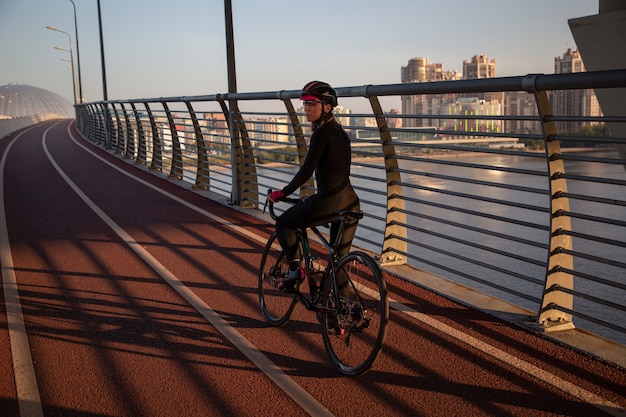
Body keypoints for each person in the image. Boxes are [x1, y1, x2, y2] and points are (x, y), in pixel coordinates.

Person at [269, 81, 360, 290]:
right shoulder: (341, 133)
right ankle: (344, 316)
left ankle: (294, 270)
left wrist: (283, 192)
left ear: (327, 107)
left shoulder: (322, 133)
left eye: (312, 103)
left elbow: (306, 171)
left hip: (330, 201)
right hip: (351, 202)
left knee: (284, 223)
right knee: (339, 262)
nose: (306, 108)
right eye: (305, 104)